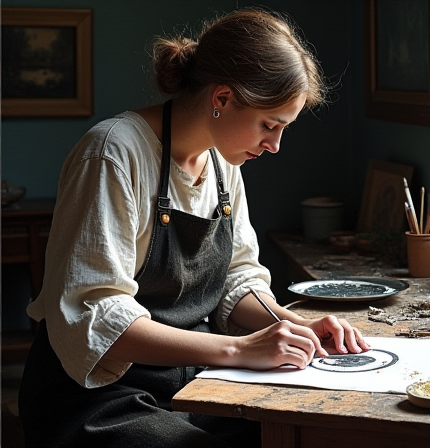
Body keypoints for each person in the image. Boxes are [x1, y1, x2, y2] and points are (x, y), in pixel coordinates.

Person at [19, 8, 369, 448]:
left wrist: (294, 324)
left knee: (307, 432)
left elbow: (236, 280)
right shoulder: (112, 153)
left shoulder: (223, 162)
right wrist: (241, 350)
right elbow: (96, 316)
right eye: (269, 124)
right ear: (221, 98)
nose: (274, 146)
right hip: (99, 396)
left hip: (188, 384)